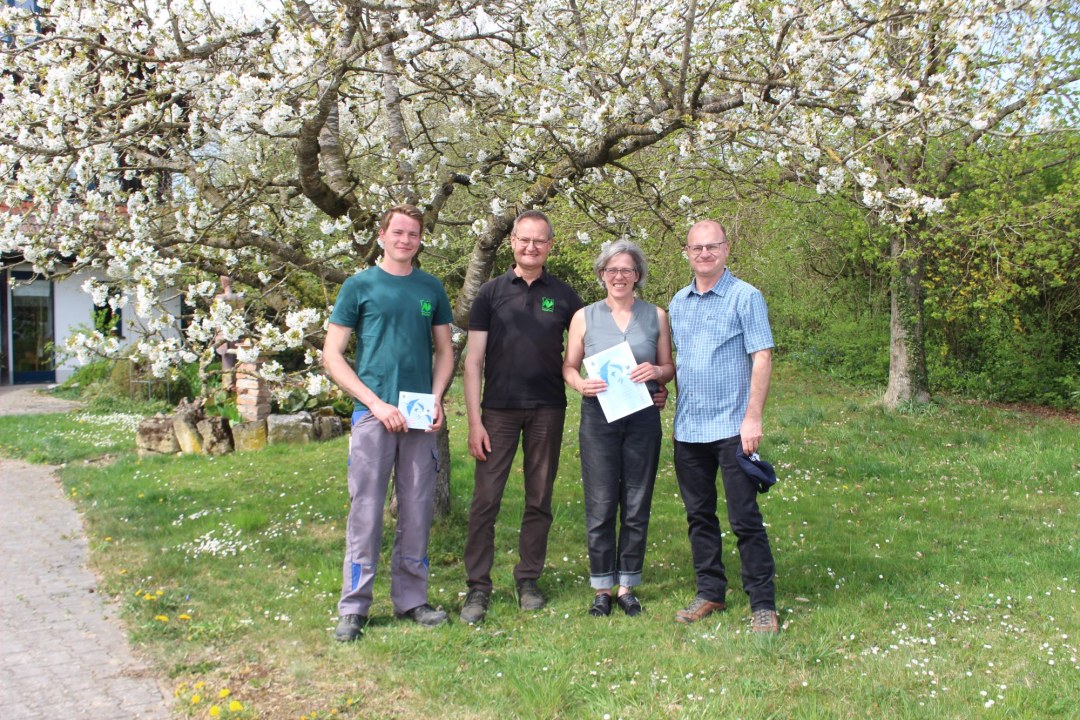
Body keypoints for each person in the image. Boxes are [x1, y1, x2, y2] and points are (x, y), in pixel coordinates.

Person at [322, 204, 455, 642]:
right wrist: (374, 403)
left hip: (418, 416)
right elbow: (332, 356)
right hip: (372, 415)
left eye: (413, 234)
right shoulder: (359, 287)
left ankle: (412, 600)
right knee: (366, 512)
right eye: (397, 232)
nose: (405, 240)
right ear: (381, 236)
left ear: (420, 240)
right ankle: (354, 607)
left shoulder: (430, 288)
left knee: (417, 511)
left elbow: (445, 353)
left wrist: (436, 399)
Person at [459, 210, 584, 624]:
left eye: (539, 240)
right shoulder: (490, 294)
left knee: (539, 499)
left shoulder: (565, 296)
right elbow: (473, 362)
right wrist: (474, 422)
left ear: (550, 245)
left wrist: (642, 380)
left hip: (548, 409)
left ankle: (528, 579)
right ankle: (478, 587)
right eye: (523, 239)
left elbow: (594, 348)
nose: (531, 247)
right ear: (512, 241)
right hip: (496, 413)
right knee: (485, 501)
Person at [668, 220, 780, 634]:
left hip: (733, 426)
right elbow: (683, 361)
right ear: (687, 253)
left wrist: (753, 417)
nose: (704, 254)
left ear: (726, 249)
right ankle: (710, 591)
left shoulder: (745, 297)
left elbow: (762, 357)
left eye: (712, 246)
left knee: (744, 518)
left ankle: (763, 604)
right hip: (689, 428)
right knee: (699, 516)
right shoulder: (678, 302)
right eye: (696, 248)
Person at [562, 240, 674, 617]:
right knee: (600, 501)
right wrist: (580, 384)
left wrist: (658, 373)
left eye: (627, 270)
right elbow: (569, 366)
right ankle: (602, 588)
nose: (619, 276)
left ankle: (627, 585)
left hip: (642, 415)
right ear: (601, 275)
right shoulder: (584, 317)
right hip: (599, 416)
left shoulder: (656, 315)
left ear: (637, 275)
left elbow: (668, 368)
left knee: (637, 501)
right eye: (612, 270)